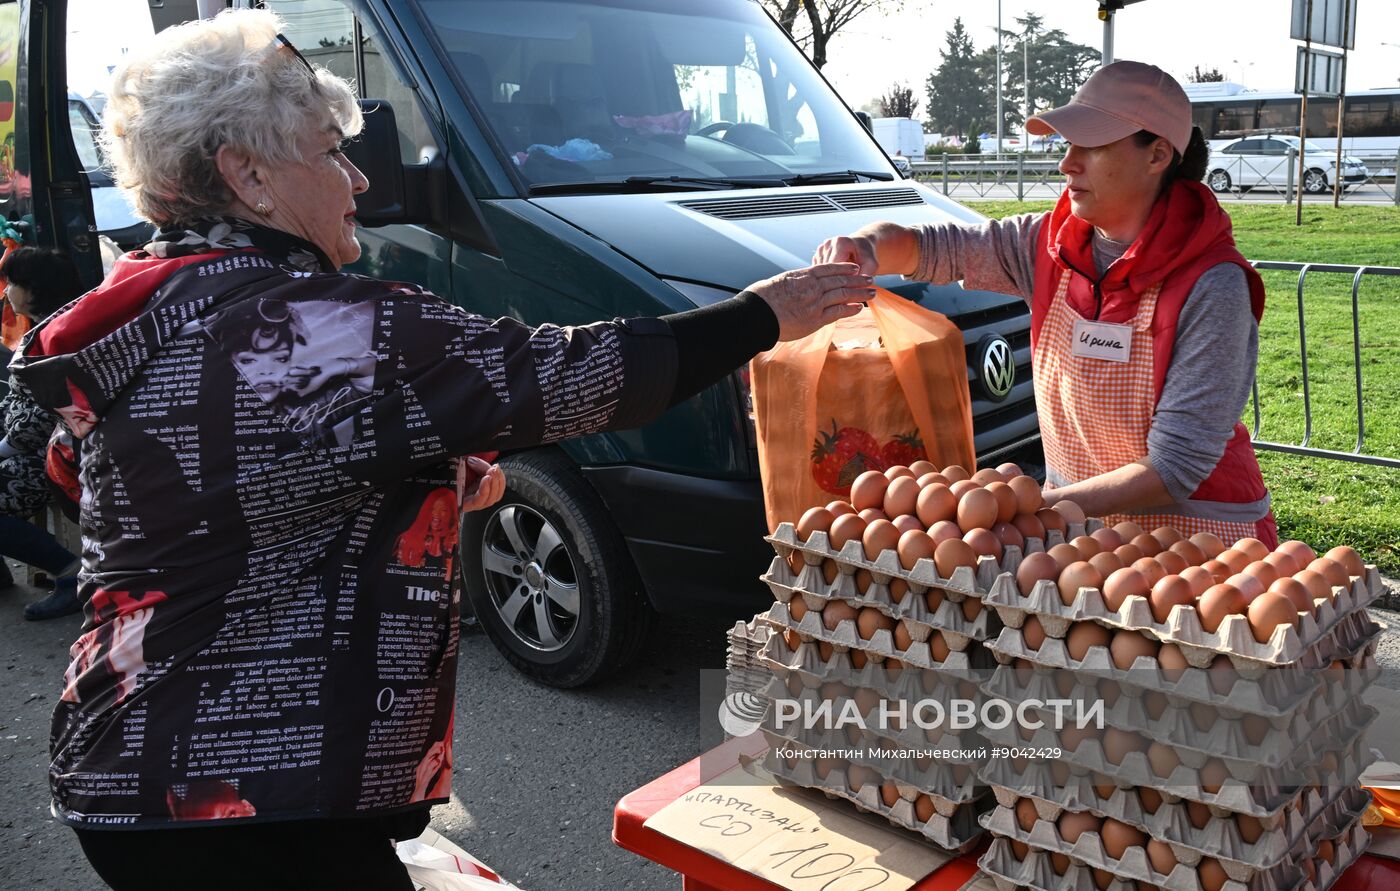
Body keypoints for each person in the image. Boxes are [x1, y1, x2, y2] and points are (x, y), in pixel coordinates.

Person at [6, 10, 871, 890]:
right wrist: (768, 312)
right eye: (329, 152)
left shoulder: (136, 306)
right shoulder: (324, 331)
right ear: (248, 176)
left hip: (116, 769)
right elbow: (577, 376)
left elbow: (114, 486)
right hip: (249, 804)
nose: (355, 177)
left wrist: (390, 485)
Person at [816, 61, 1275, 547]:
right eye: (1068, 144)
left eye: (1091, 146)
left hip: (1200, 545)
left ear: (1157, 154)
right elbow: (932, 247)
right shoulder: (1048, 243)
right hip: (1082, 532)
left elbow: (1175, 468)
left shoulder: (1213, 285)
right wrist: (866, 247)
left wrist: (1027, 506)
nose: (1067, 163)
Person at [0, 246, 85, 618]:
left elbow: (36, 424)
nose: (6, 292)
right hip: (36, 448)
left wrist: (1, 448)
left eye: (13, 283)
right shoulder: (45, 330)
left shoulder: (52, 339)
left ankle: (71, 573)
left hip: (56, 457)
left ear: (33, 289)